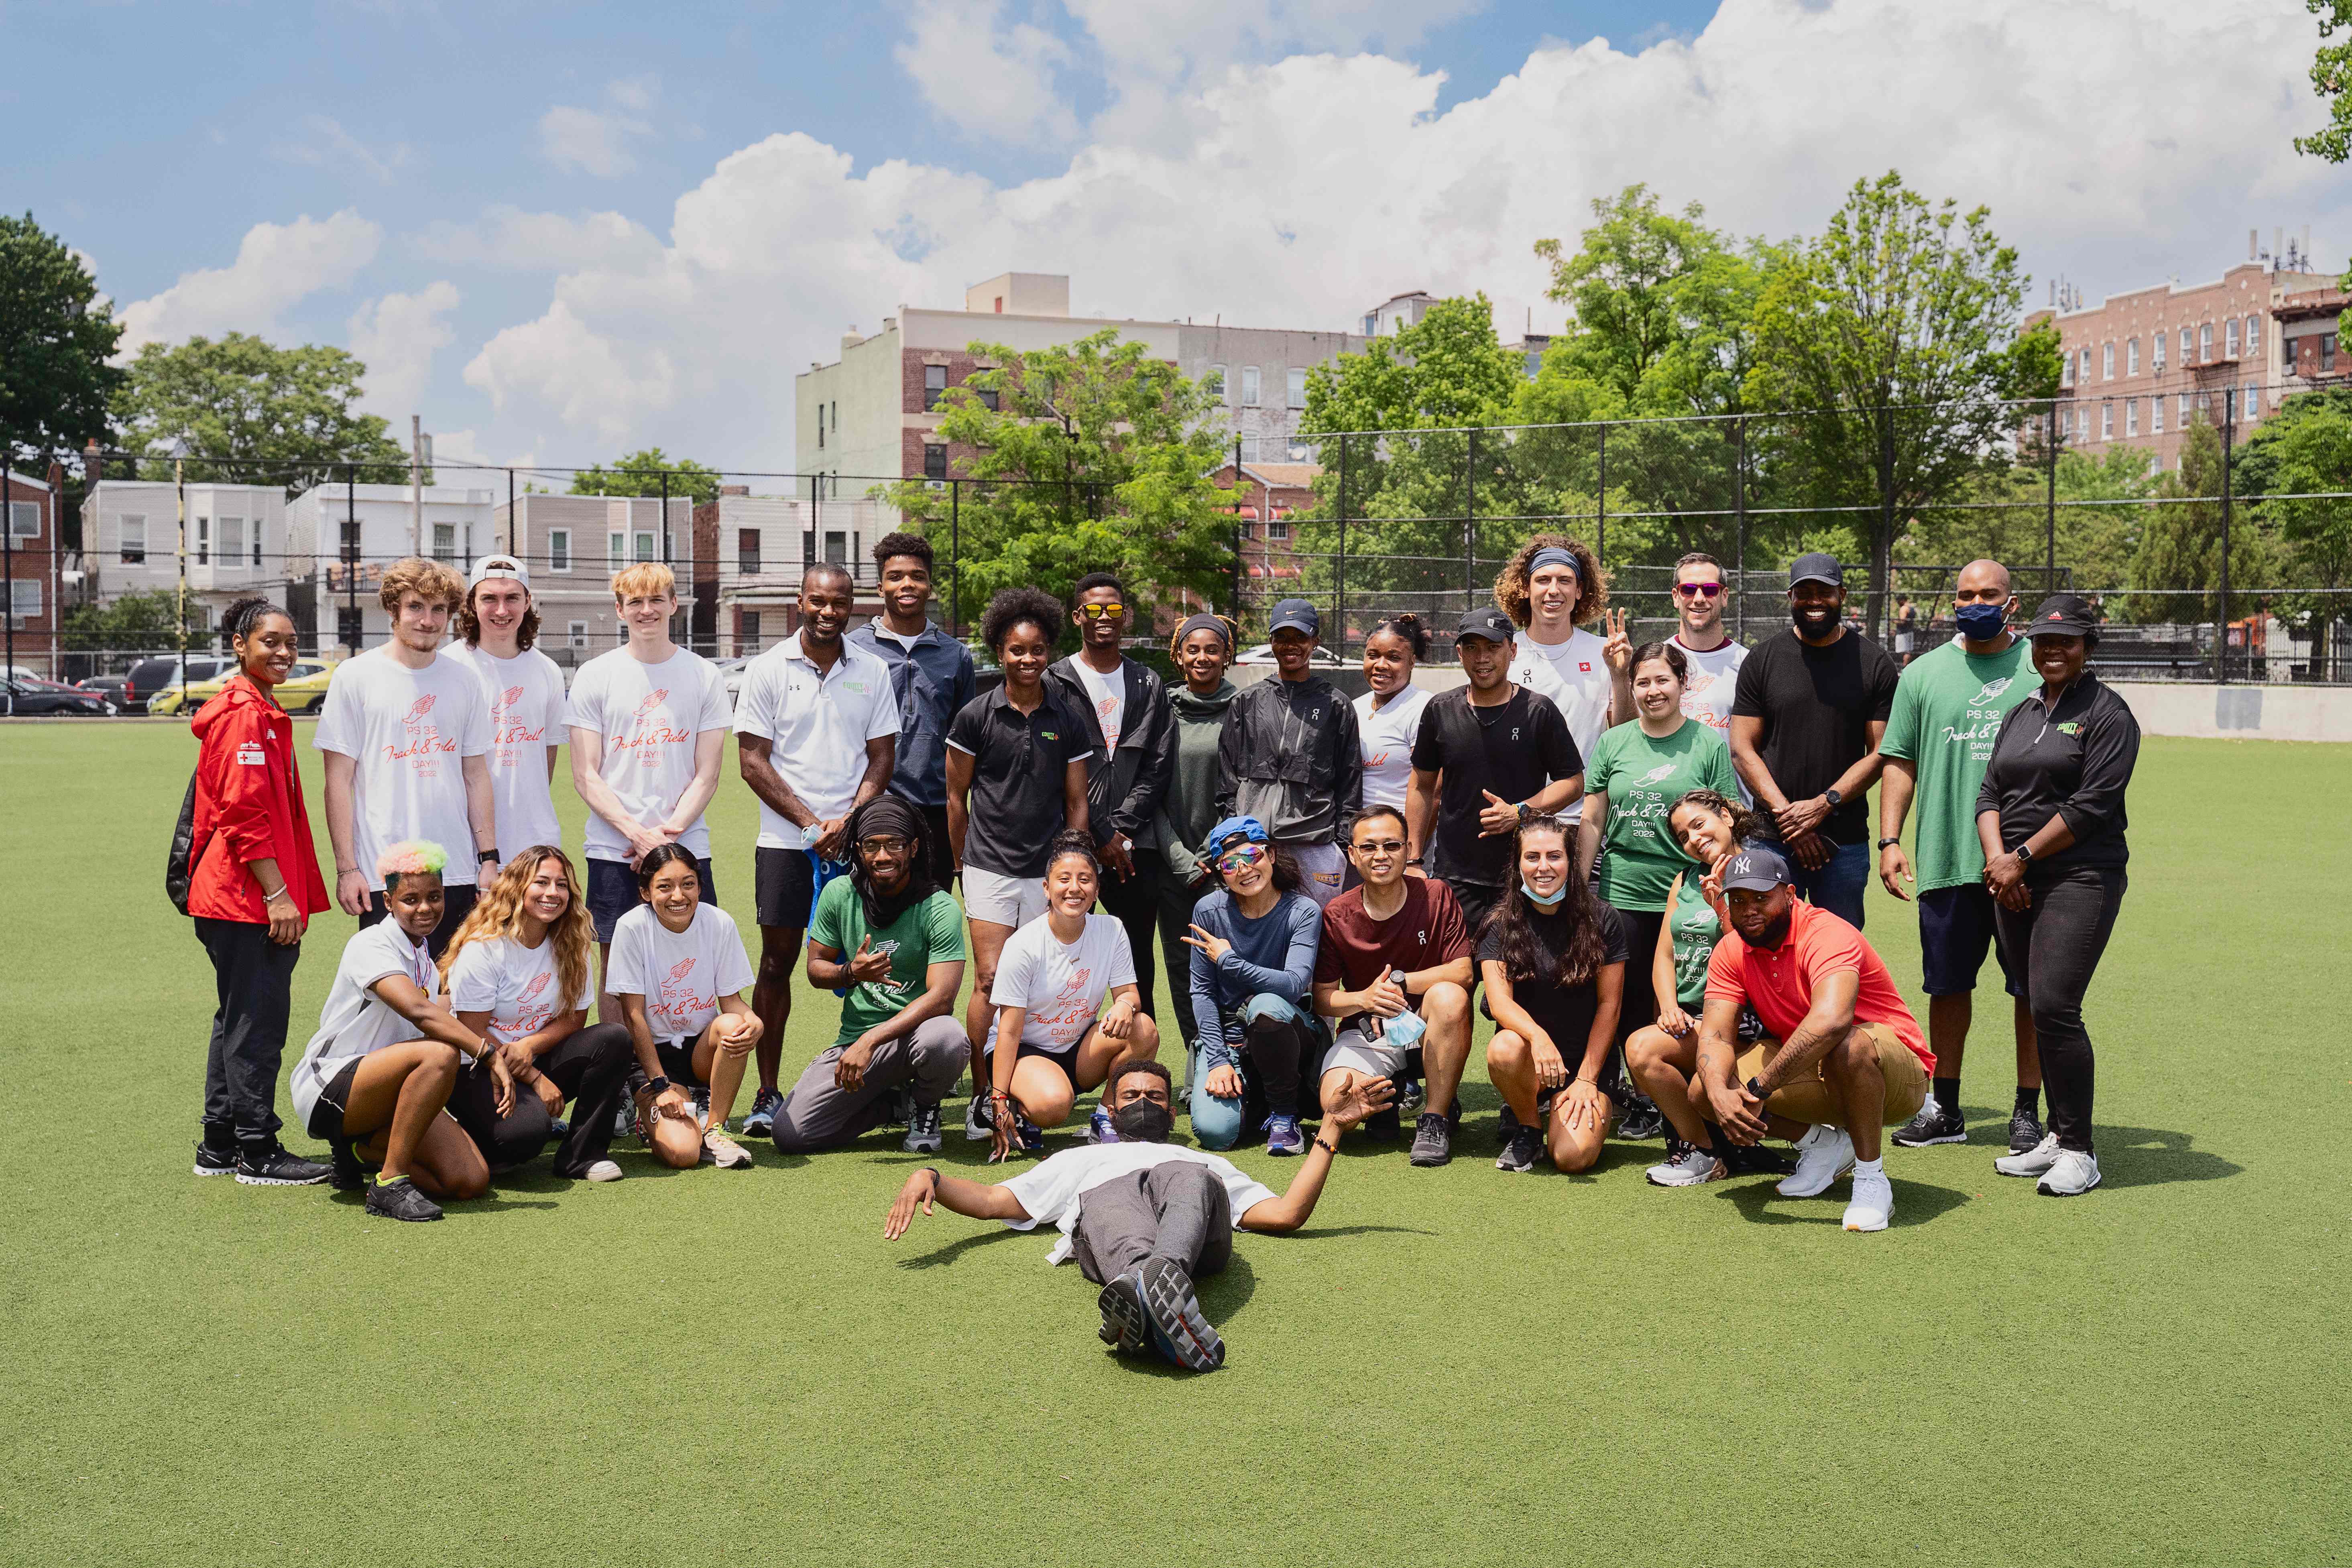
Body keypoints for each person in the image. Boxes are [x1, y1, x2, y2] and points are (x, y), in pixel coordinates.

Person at [883, 1059, 1394, 1373]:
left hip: (1197, 1235)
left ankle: (1154, 1280)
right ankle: (1150, 1297)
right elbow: (995, 1200)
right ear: (1109, 1108)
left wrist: (1330, 1130)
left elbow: (1285, 1213)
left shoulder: (1203, 1160)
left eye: (1155, 1097)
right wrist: (932, 1176)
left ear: (1173, 1114)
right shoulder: (1082, 1160)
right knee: (1104, 1193)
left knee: (1185, 1174)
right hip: (1112, 1224)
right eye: (1131, 1095)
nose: (1144, 1102)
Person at [1878, 559, 2044, 1153]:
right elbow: (1900, 759)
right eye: (1966, 594)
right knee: (1946, 986)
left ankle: (2028, 1109)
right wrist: (1891, 839)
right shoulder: (1922, 673)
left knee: (2031, 989)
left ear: (2012, 602)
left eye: (1988, 594)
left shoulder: (2038, 666)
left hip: (2024, 863)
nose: (1976, 602)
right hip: (1947, 856)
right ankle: (1944, 1106)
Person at [1679, 845, 1934, 1232]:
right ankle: (1823, 1145)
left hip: (1896, 1077)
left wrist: (1760, 1087)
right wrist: (1719, 1094)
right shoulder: (1731, 948)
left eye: (1762, 898)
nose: (1749, 909)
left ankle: (1871, 1179)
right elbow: (1715, 1035)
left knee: (1848, 1045)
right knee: (1704, 1089)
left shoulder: (1826, 932)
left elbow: (1831, 1022)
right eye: (1739, 898)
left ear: (1791, 894)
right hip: (1816, 1068)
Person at [1978, 594, 2140, 1198]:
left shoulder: (2109, 713)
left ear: (2087, 647)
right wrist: (2001, 863)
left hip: (2080, 877)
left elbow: (2091, 806)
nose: (2053, 651)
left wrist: (2019, 859)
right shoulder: (2022, 711)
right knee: (2034, 1001)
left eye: (2066, 641)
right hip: (2014, 878)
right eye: (2044, 642)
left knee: (2054, 1005)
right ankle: (2053, 1132)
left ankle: (2079, 1149)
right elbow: (1989, 791)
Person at [733, 563, 899, 1138]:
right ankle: (767, 1090)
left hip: (858, 844)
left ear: (853, 605)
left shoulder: (873, 670)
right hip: (785, 843)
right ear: (799, 602)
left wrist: (849, 821)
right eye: (818, 601)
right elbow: (752, 760)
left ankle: (884, 1085)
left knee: (879, 962)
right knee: (777, 963)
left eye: (840, 602)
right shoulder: (766, 668)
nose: (829, 611)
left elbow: (882, 757)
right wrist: (811, 824)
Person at [186, 596, 334, 1185]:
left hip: (238, 894)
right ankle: (258, 1149)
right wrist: (278, 894)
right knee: (258, 1022)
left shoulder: (260, 708)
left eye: (291, 642)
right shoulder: (245, 714)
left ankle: (220, 1144)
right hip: (244, 896)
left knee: (238, 1019)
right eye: (270, 640)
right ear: (239, 646)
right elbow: (243, 815)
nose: (283, 652)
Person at [287, 842, 499, 1222]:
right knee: (440, 1054)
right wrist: (488, 1052)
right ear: (388, 901)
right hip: (329, 1088)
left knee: (470, 1180)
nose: (425, 908)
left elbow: (441, 1011)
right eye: (411, 899)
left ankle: (357, 1151)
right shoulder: (370, 942)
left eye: (435, 897)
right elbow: (421, 1013)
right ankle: (390, 1183)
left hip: (383, 1094)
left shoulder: (426, 964)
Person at [564, 562, 732, 1015]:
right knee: (616, 962)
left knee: (694, 959)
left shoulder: (703, 675)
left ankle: (691, 1074)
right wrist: (638, 836)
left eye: (656, 599)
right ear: (620, 610)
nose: (647, 610)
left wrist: (667, 838)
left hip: (685, 845)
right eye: (635, 601)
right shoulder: (595, 675)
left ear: (673, 604)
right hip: (613, 847)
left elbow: (708, 774)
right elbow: (585, 775)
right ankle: (624, 1078)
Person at [315, 557, 498, 956]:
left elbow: (476, 775)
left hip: (455, 871)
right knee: (392, 1000)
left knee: (451, 993)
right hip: (386, 872)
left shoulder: (465, 679)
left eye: (438, 610)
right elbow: (337, 783)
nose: (428, 621)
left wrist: (488, 859)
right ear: (393, 609)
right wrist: (348, 869)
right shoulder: (355, 676)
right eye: (416, 606)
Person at [1576, 642, 1740, 1084]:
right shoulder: (1613, 742)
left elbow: (1727, 816)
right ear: (1631, 687)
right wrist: (1577, 886)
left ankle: (1674, 1081)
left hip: (1689, 892)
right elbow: (1592, 819)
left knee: (1679, 992)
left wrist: (1724, 883)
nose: (1653, 691)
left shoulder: (1707, 742)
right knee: (1624, 994)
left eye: (1662, 680)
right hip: (1623, 888)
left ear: (1682, 683)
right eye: (1642, 682)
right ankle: (1629, 1090)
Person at [769, 795, 971, 1156]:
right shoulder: (839, 893)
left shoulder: (940, 907)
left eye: (894, 844)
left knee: (948, 1038)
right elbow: (816, 968)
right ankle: (891, 1106)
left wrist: (871, 1041)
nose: (883, 857)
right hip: (857, 1040)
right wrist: (850, 972)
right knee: (790, 1134)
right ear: (858, 850)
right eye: (872, 846)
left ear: (913, 848)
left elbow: (942, 997)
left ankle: (924, 1104)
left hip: (916, 1038)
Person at [946, 588, 1093, 1056]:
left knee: (1036, 981)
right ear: (999, 651)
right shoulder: (974, 715)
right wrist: (961, 864)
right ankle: (981, 1094)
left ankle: (1026, 1079)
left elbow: (1077, 800)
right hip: (988, 866)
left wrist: (1074, 865)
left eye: (1037, 650)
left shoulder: (1067, 719)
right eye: (1017, 650)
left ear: (1048, 653)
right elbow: (955, 797)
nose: (1027, 659)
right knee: (990, 981)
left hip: (1045, 872)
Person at [1622, 788, 1794, 1186]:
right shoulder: (1683, 879)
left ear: (1726, 817)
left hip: (1743, 1017)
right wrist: (1668, 1005)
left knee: (1653, 1055)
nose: (1694, 838)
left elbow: (1757, 956)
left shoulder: (1762, 871)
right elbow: (1665, 954)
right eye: (1683, 835)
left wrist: (1722, 906)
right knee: (1646, 1049)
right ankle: (1703, 1148)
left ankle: (1714, 1149)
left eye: (1699, 824)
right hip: (1690, 1014)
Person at [437, 846, 635, 1182]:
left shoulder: (573, 943)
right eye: (541, 883)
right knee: (524, 1137)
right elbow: (472, 1033)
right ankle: (469, 1133)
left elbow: (575, 1018)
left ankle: (582, 1155)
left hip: (530, 1056)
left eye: (561, 885)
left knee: (613, 1038)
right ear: (517, 887)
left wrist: (530, 1046)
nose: (552, 893)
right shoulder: (484, 948)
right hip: (478, 1067)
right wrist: (536, 1079)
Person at [1727, 553, 1898, 929]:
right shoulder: (1763, 659)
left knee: (1838, 954)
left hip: (1843, 842)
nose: (1815, 601)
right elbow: (1742, 748)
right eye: (1804, 592)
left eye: (1825, 591)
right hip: (1771, 838)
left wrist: (1825, 803)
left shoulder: (1874, 663)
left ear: (1842, 594)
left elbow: (1882, 751)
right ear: (1791, 597)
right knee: (1766, 947)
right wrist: (1793, 820)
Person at [975, 831, 1160, 1160]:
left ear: (1097, 890)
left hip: (1077, 1051)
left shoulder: (1112, 929)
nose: (1074, 888)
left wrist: (1124, 1005)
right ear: (1047, 888)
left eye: (1085, 880)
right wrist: (999, 1099)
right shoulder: (1024, 944)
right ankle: (1021, 1105)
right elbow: (1009, 1030)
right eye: (1064, 879)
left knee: (1144, 1028)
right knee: (1054, 1105)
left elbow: (1131, 994)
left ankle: (1106, 1116)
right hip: (1022, 1051)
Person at [1405, 606, 1584, 942]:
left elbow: (1574, 783)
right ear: (1459, 653)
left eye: (1492, 647)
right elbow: (1421, 786)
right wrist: (1413, 859)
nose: (1482, 657)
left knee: (1523, 977)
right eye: (1472, 648)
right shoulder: (1440, 710)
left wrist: (1520, 812)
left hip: (1525, 873)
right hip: (1455, 877)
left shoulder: (1538, 710)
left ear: (1512, 650)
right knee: (1457, 980)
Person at [1046, 571, 1176, 1022]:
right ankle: (1059, 1055)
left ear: (1127, 616)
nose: (1105, 618)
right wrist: (1098, 832)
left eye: (1114, 610)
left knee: (1136, 957)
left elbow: (1158, 765)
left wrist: (1120, 829)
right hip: (1068, 843)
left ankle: (1142, 1067)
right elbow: (1049, 766)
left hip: (1131, 849)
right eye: (1094, 610)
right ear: (1077, 615)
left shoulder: (1147, 683)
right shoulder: (1054, 680)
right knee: (1062, 958)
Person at [1312, 805, 1473, 1166]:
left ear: (1408, 847)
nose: (1381, 856)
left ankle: (1435, 1117)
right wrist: (1365, 998)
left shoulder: (1436, 894)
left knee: (1450, 996)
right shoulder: (1337, 914)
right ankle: (1389, 1095)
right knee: (1336, 1102)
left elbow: (1463, 971)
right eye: (1368, 847)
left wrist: (1400, 983)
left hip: (1428, 1024)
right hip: (1367, 1030)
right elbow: (1323, 999)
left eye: (1391, 845)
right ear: (1352, 855)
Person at [1480, 815, 1630, 1175]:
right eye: (1532, 857)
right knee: (1503, 1048)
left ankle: (1567, 1110)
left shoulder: (1603, 918)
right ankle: (1529, 1126)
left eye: (1554, 856)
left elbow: (1610, 1006)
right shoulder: (1500, 922)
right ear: (1518, 865)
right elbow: (1500, 1003)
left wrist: (1587, 1079)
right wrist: (1538, 1037)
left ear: (1571, 861)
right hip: (1531, 1058)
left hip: (1586, 1062)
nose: (1543, 867)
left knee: (1571, 1158)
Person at [604, 845, 762, 1171]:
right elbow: (633, 1016)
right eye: (665, 886)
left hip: (700, 1051)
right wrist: (660, 1085)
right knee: (683, 1154)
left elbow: (731, 1002)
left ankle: (714, 1128)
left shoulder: (719, 922)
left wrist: (754, 1022)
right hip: (654, 1057)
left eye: (688, 884)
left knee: (735, 1025)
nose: (678, 895)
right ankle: (654, 1118)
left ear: (700, 888)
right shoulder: (631, 927)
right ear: (646, 892)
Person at [1183, 816, 1325, 1155]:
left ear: (1271, 855)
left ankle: (1284, 1116)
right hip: (1231, 1038)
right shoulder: (1208, 910)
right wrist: (1218, 1060)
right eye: (1230, 864)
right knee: (1216, 1133)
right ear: (1220, 874)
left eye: (1252, 855)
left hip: (1286, 1025)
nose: (1244, 869)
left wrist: (1229, 961)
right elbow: (1202, 992)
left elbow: (1292, 985)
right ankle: (1257, 1098)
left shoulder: (1304, 910)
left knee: (1265, 1004)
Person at [848, 531, 976, 890]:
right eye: (896, 577)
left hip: (937, 808)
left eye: (918, 577)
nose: (908, 584)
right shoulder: (853, 651)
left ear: (930, 586)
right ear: (879, 587)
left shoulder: (956, 655)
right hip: (871, 804)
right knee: (873, 912)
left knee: (930, 912)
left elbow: (964, 743)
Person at [1215, 597, 1361, 907]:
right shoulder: (1247, 702)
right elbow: (1226, 778)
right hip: (1255, 845)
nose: (1290, 645)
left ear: (1315, 641)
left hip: (1314, 845)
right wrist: (1238, 833)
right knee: (1258, 933)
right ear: (1271, 641)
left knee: (1320, 939)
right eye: (1281, 637)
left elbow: (1350, 783)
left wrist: (1340, 844)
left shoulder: (1337, 705)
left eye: (1300, 637)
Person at [1152, 613, 1241, 1080]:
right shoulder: (1161, 707)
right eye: (1193, 649)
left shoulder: (1245, 707)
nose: (1202, 657)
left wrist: (1212, 855)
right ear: (1179, 654)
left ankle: (1232, 1053)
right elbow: (1149, 788)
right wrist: (1183, 859)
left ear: (1227, 655)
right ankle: (1198, 1056)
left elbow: (1244, 788)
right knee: (1181, 965)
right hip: (1172, 862)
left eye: (1212, 649)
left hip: (1227, 864)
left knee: (1225, 961)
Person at [1496, 534, 1629, 820]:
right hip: (1515, 814)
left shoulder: (1603, 652)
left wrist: (1621, 678)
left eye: (1565, 581)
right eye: (1543, 580)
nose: (1553, 590)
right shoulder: (1504, 653)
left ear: (1580, 590)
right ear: (1525, 587)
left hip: (1585, 817)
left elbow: (1624, 734)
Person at [446, 553, 566, 864]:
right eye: (489, 598)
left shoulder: (548, 671)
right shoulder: (449, 667)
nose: (501, 610)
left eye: (512, 597)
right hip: (465, 844)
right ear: (472, 603)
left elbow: (547, 758)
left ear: (527, 602)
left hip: (535, 842)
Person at [1665, 552, 1748, 756]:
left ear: (1725, 596)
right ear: (1676, 597)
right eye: (1689, 590)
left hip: (1726, 788)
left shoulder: (1748, 663)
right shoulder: (1656, 660)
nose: (1699, 599)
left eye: (1710, 590)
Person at [1353, 613, 1434, 822]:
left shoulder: (1424, 708)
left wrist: (1412, 849)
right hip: (1358, 836)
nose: (1381, 665)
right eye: (1373, 655)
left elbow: (1433, 792)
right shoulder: (1354, 708)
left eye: (1394, 658)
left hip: (1399, 838)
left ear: (1412, 662)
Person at [1895, 594, 1919, 665]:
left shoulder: (1904, 608)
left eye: (1898, 602)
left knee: (1905, 652)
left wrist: (1894, 621)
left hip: (1904, 633)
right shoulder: (1912, 608)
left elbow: (1902, 622)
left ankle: (1904, 667)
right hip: (1910, 631)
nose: (1898, 603)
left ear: (1902, 600)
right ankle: (1905, 666)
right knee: (1908, 651)